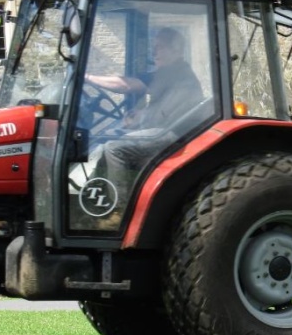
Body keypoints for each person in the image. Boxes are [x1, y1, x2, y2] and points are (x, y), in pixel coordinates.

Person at [82, 27, 204, 220]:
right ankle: (94, 204)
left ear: (177, 51)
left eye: (160, 47)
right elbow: (158, 105)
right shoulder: (167, 73)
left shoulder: (175, 72)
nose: (154, 52)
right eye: (153, 47)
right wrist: (138, 117)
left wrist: (86, 77)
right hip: (164, 129)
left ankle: (119, 212)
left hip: (175, 134)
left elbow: (126, 85)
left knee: (114, 148)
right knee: (106, 139)